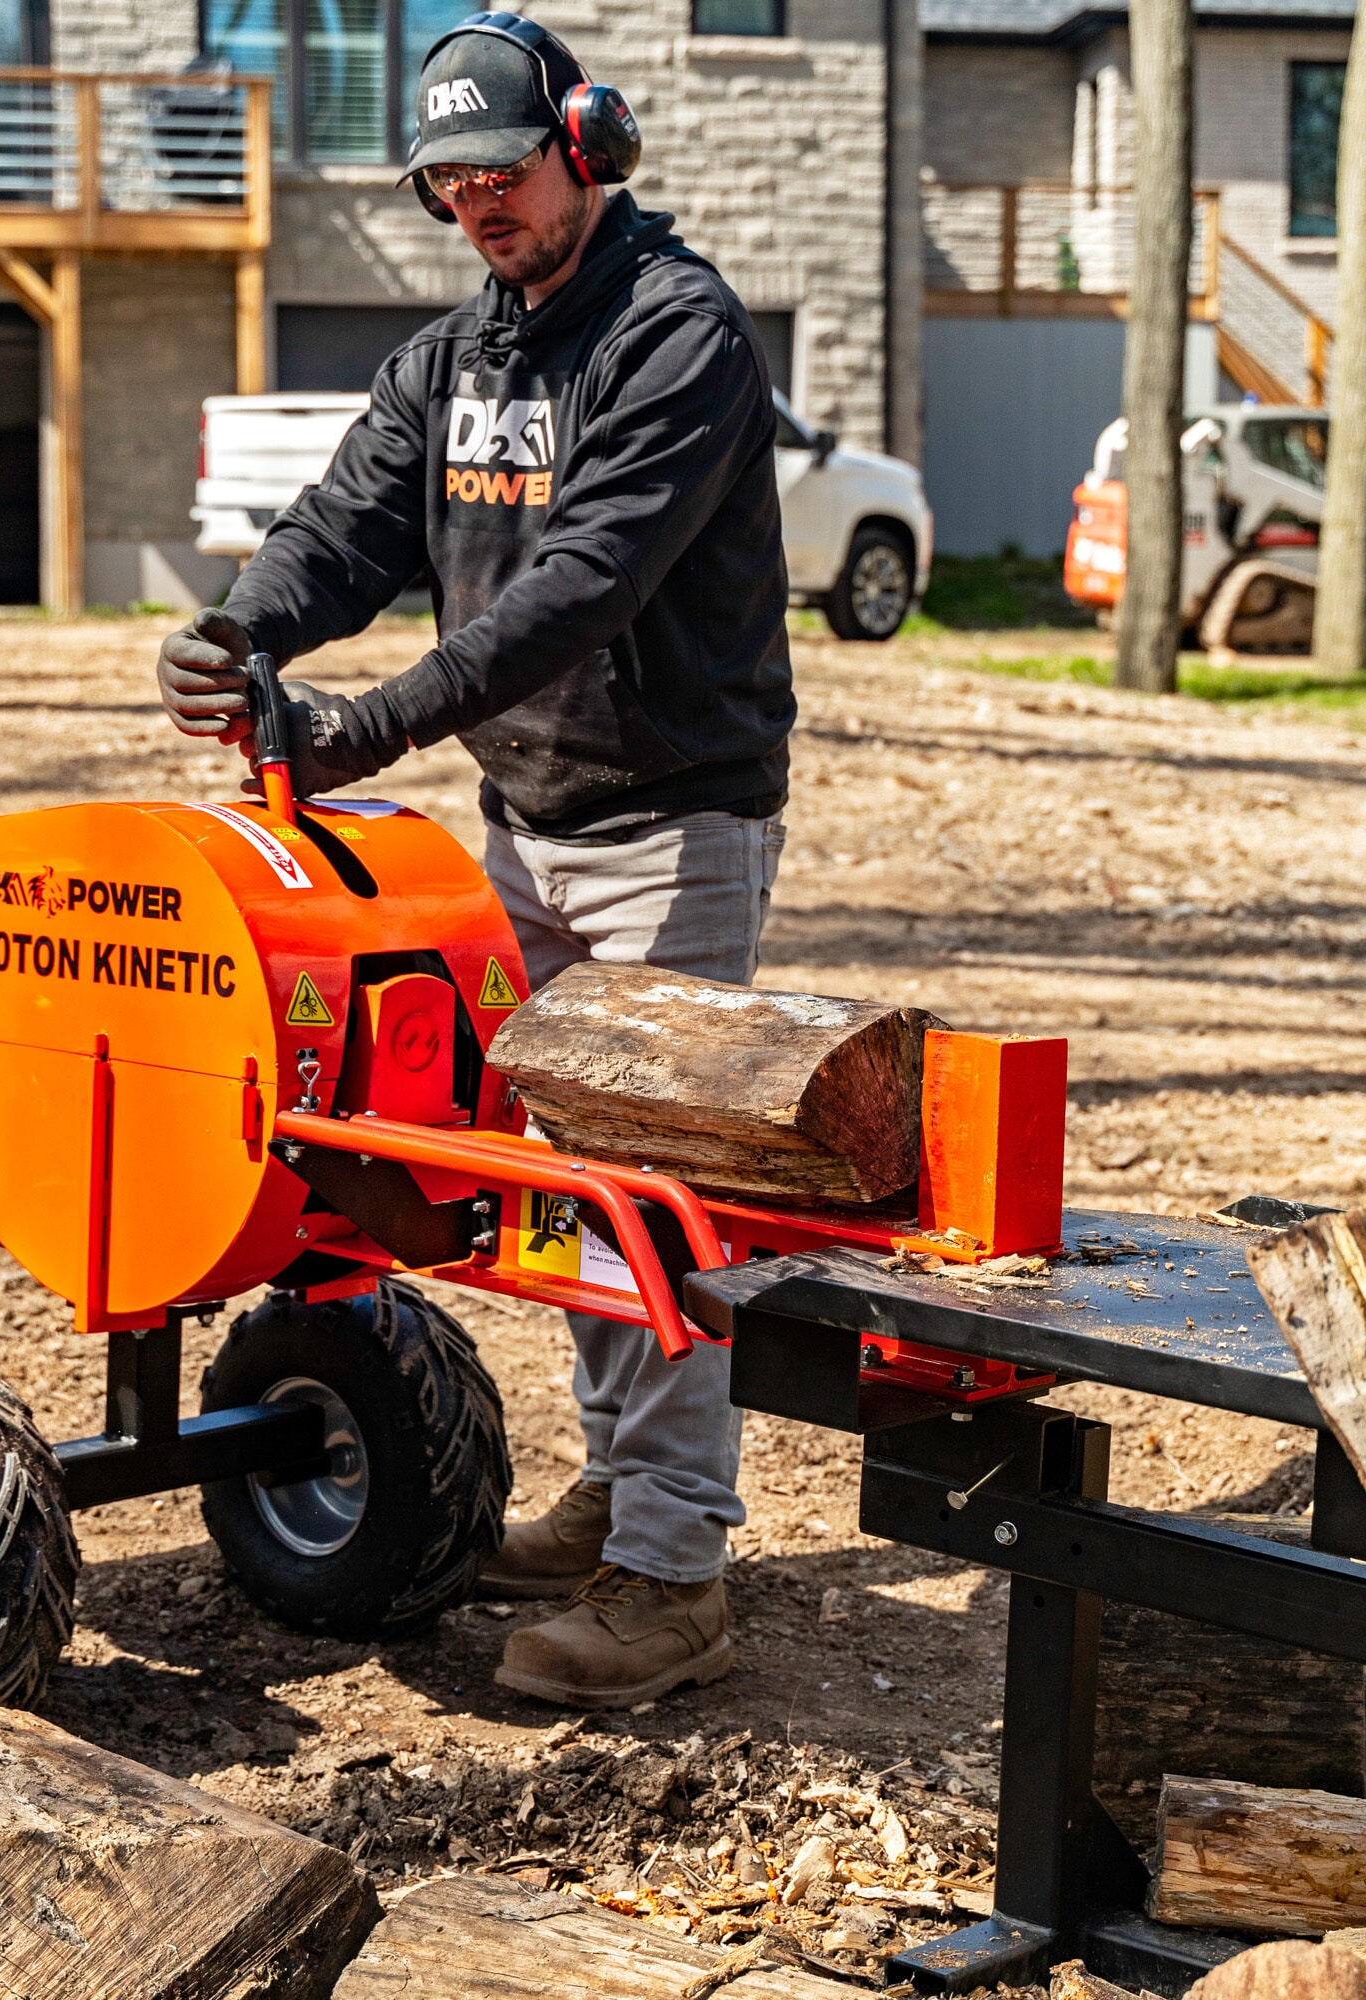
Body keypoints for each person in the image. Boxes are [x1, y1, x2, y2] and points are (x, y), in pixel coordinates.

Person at [154, 13, 793, 1711]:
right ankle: (620, 1496)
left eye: (501, 178)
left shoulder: (680, 336)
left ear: (590, 143)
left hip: (674, 829)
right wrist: (240, 635)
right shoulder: (456, 362)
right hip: (527, 825)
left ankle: (673, 1578)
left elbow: (584, 583)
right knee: (564, 1189)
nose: (479, 214)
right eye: (449, 190)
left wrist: (369, 729)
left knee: (657, 1200)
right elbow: (346, 524)